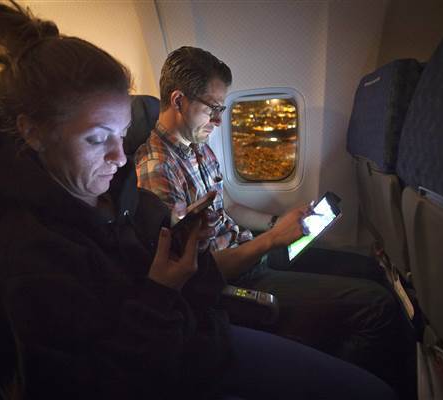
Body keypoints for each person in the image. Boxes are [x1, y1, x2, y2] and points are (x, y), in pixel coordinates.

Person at [0, 2, 398, 399]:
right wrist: (168, 286)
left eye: (120, 134)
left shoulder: (122, 201)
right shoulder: (26, 265)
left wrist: (255, 229)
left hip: (203, 334)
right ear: (34, 132)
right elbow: (109, 375)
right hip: (189, 357)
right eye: (98, 139)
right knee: (373, 325)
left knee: (364, 277)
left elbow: (190, 273)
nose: (119, 157)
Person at [135, 46, 416, 399]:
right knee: (377, 308)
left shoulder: (197, 147)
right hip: (232, 280)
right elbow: (195, 271)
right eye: (214, 108)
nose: (220, 120)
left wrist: (274, 222)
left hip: (249, 252)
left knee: (370, 270)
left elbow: (230, 205)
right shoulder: (157, 170)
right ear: (178, 101)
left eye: (223, 108)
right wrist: (270, 241)